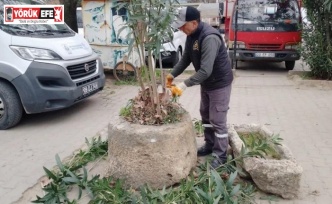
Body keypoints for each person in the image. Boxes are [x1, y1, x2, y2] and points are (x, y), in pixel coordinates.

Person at [166, 6, 233, 169]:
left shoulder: (209, 37)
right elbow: (185, 59)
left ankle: (220, 155)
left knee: (217, 119)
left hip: (219, 83)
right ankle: (210, 145)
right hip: (207, 82)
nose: (181, 29)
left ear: (194, 22)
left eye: (183, 25)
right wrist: (171, 75)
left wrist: (183, 85)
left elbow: (205, 70)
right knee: (205, 115)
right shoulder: (191, 35)